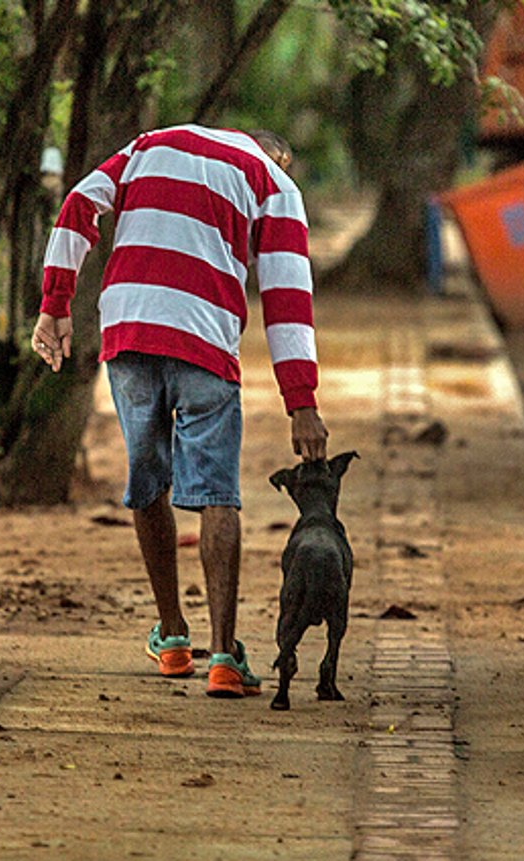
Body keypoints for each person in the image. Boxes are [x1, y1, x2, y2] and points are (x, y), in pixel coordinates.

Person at [31, 124, 328, 698]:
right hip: (203, 340)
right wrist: (302, 402)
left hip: (129, 330)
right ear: (277, 156)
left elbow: (77, 205)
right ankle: (222, 658)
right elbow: (287, 296)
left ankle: (170, 639)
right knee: (217, 494)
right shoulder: (273, 180)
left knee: (149, 482)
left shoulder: (149, 145)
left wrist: (55, 305)